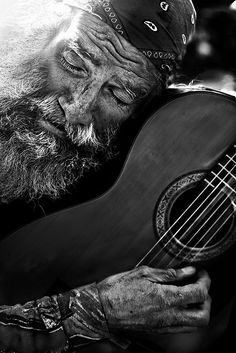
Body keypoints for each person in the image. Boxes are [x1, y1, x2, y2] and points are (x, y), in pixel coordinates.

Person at [0, 1, 212, 352]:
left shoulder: (95, 167)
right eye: (72, 63)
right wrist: (94, 311)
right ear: (34, 32)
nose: (78, 109)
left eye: (118, 94)